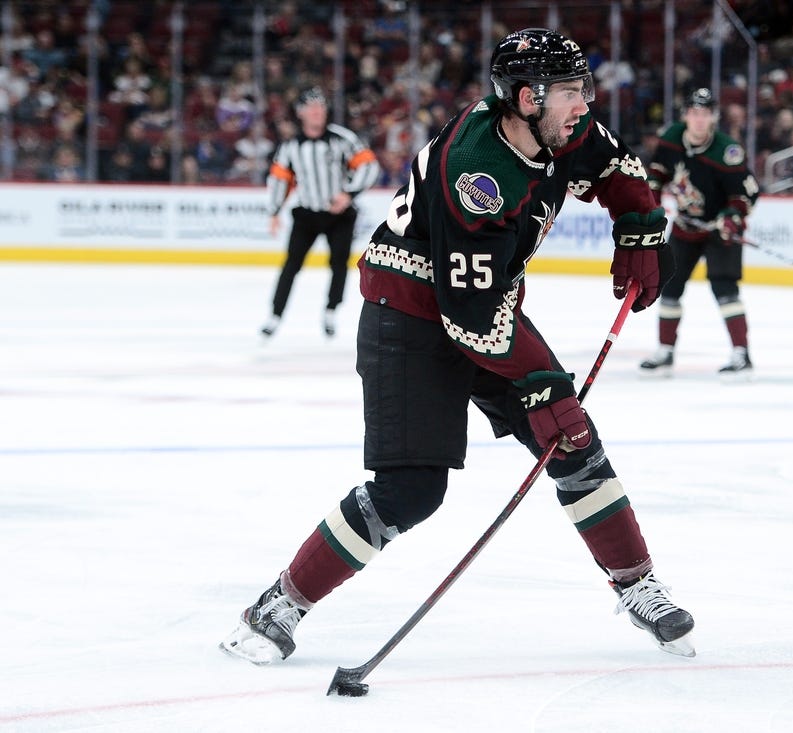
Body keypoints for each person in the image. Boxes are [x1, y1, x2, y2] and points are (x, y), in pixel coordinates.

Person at [220, 28, 695, 665]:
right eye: (571, 91)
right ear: (528, 98)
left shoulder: (560, 127)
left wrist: (639, 228)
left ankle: (638, 587)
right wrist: (544, 385)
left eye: (585, 87)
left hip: (480, 302)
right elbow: (471, 317)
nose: (585, 102)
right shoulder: (478, 176)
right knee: (411, 491)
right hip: (409, 317)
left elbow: (615, 167)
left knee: (573, 441)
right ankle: (278, 605)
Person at [638, 87, 761, 380]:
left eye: (705, 114)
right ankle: (665, 352)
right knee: (669, 288)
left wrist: (731, 219)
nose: (699, 120)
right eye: (694, 113)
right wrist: (651, 205)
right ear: (686, 116)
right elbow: (656, 175)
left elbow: (747, 195)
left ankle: (741, 354)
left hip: (720, 231)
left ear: (713, 117)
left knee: (725, 289)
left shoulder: (727, 151)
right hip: (685, 226)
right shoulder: (670, 140)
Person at [260, 87, 381, 339]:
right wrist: (274, 211)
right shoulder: (291, 147)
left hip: (340, 214)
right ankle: (275, 314)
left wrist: (348, 194)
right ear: (301, 113)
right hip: (307, 214)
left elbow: (368, 165)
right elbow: (280, 180)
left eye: (321, 108)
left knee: (338, 264)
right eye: (312, 108)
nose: (318, 113)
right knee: (291, 265)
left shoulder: (342, 138)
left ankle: (331, 310)